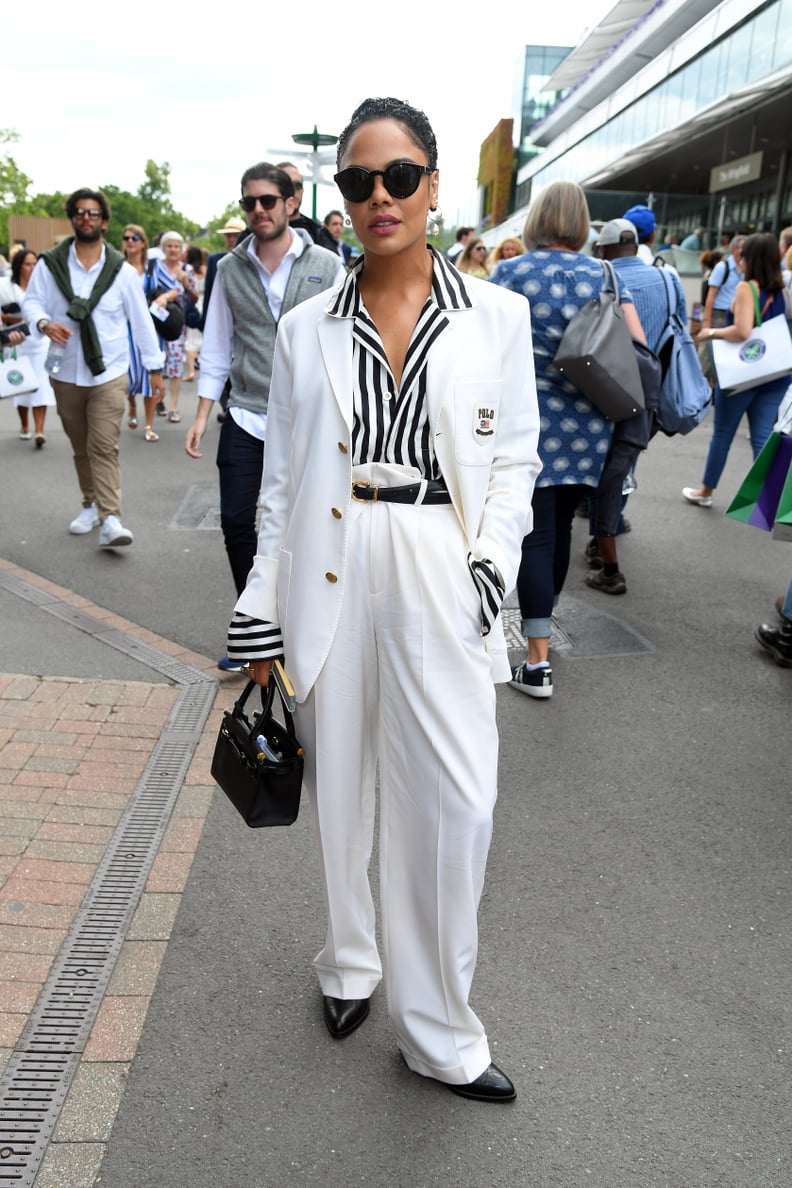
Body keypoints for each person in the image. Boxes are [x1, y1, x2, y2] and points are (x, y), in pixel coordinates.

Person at [227, 97, 540, 1101]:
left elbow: (516, 458)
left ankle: (441, 1030)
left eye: (398, 176)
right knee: (343, 789)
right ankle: (349, 961)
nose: (378, 197)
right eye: (358, 182)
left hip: (443, 558)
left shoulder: (499, 315)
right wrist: (259, 605)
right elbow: (280, 480)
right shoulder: (304, 322)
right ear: (342, 200)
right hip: (331, 552)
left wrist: (491, 563)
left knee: (456, 806)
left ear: (435, 185)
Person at [185, 162, 343, 671]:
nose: (258, 210)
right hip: (248, 413)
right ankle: (256, 625)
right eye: (249, 202)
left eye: (268, 201)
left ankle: (305, 624)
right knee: (236, 521)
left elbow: (345, 338)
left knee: (305, 522)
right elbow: (215, 345)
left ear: (290, 204)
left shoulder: (326, 262)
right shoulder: (228, 268)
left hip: (307, 419)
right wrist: (201, 413)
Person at [491, 180, 645, 698]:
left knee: (532, 534)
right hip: (587, 423)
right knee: (559, 532)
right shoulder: (603, 274)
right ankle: (543, 628)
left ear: (536, 219)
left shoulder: (510, 273)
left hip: (526, 422)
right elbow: (631, 346)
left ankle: (536, 663)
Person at [24, 187, 164, 546]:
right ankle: (90, 503)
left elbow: (141, 320)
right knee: (80, 445)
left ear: (104, 220)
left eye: (93, 213)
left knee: (103, 445)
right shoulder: (49, 264)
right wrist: (43, 324)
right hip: (65, 371)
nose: (86, 218)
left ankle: (111, 518)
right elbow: (32, 303)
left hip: (109, 373)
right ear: (73, 219)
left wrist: (154, 366)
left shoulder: (121, 271)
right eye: (80, 213)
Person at [584, 218, 685, 593]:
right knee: (621, 469)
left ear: (605, 250)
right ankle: (605, 534)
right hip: (649, 393)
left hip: (608, 390)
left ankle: (607, 551)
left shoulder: (601, 279)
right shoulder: (668, 278)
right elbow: (677, 334)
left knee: (605, 475)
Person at [684, 233, 790, 507]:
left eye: (743, 254)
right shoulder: (781, 289)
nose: (738, 259)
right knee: (763, 435)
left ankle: (706, 491)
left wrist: (711, 332)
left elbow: (742, 330)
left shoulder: (746, 288)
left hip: (742, 375)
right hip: (773, 374)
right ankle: (769, 498)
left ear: (752, 259)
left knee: (723, 434)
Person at [0, 248, 56, 446]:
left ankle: (39, 430)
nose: (32, 268)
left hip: (39, 342)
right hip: (16, 341)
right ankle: (25, 425)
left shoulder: (43, 287)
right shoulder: (5, 286)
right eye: (27, 264)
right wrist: (7, 318)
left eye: (34, 264)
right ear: (18, 266)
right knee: (21, 384)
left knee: (40, 384)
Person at [148, 230, 197, 423]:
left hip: (176, 323)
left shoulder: (187, 269)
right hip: (156, 322)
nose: (173, 249)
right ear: (162, 248)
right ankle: (158, 400)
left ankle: (174, 406)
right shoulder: (154, 268)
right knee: (157, 361)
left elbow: (194, 299)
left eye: (177, 246)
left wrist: (185, 282)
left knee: (176, 364)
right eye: (169, 246)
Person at [121, 223, 163, 442]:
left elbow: (174, 287)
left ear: (143, 242)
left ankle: (148, 424)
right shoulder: (118, 268)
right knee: (128, 375)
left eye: (134, 237)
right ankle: (131, 406)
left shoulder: (153, 267)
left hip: (149, 328)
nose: (129, 241)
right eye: (126, 237)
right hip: (124, 330)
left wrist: (165, 297)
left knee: (149, 376)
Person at [276, 162, 338, 253]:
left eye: (297, 186)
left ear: (302, 190)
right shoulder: (258, 232)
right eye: (286, 185)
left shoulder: (319, 233)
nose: (292, 191)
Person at [183, 245, 207, 380]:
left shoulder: (188, 271)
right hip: (205, 304)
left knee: (191, 339)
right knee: (203, 337)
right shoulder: (206, 269)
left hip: (193, 304)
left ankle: (191, 371)